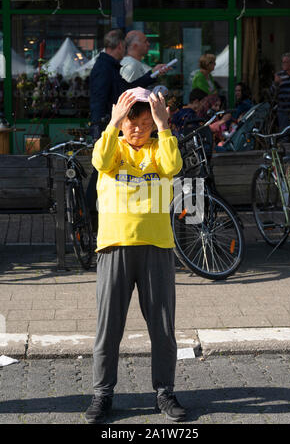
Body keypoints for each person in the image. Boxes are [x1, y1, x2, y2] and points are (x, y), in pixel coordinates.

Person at [85, 87, 186, 424]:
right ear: (122, 123)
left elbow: (174, 166)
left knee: (162, 326)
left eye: (146, 123)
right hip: (114, 245)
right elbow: (98, 160)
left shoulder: (160, 149)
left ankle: (165, 392)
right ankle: (102, 394)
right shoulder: (113, 150)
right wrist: (114, 122)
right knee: (108, 327)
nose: (139, 130)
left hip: (156, 246)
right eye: (133, 123)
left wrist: (164, 124)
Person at [87, 29, 167, 230]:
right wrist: (100, 130)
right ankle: (93, 218)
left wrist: (152, 75)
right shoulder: (104, 68)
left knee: (103, 171)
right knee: (101, 172)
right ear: (121, 46)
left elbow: (126, 89)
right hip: (108, 127)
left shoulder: (109, 66)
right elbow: (99, 100)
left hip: (110, 126)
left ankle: (97, 216)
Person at [271, 52, 290, 133]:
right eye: (282, 62)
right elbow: (272, 93)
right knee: (284, 135)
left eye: (285, 62)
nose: (283, 64)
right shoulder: (279, 75)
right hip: (283, 112)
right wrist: (276, 83)